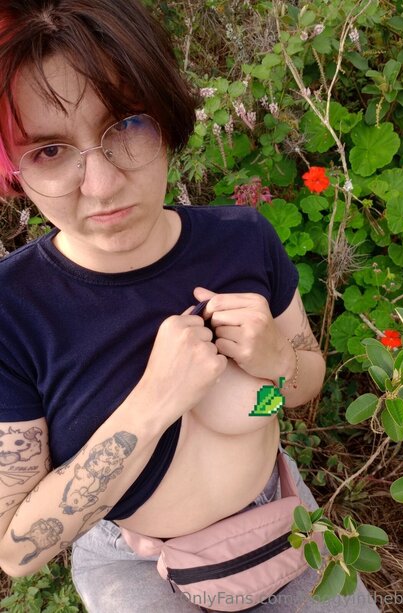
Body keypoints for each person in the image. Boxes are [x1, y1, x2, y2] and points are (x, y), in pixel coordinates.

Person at [0, 1, 380, 611]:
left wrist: (278, 359)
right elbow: (16, 552)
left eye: (126, 124)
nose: (101, 185)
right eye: (48, 150)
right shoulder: (14, 309)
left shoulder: (243, 239)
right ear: (13, 170)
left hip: (281, 521)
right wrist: (155, 401)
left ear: (168, 118)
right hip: (134, 562)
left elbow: (304, 383)